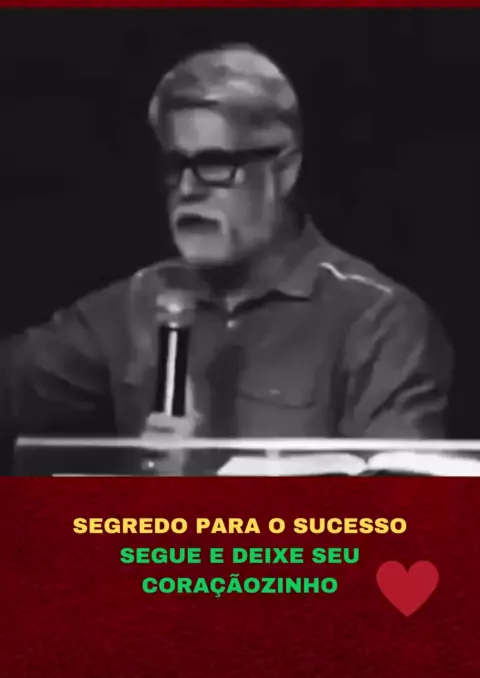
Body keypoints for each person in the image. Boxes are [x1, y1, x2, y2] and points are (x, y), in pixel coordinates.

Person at [0, 44, 453, 474]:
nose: (188, 189)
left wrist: (206, 477)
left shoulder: (377, 320)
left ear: (285, 170)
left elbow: (400, 509)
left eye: (214, 164)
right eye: (176, 165)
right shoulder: (141, 301)